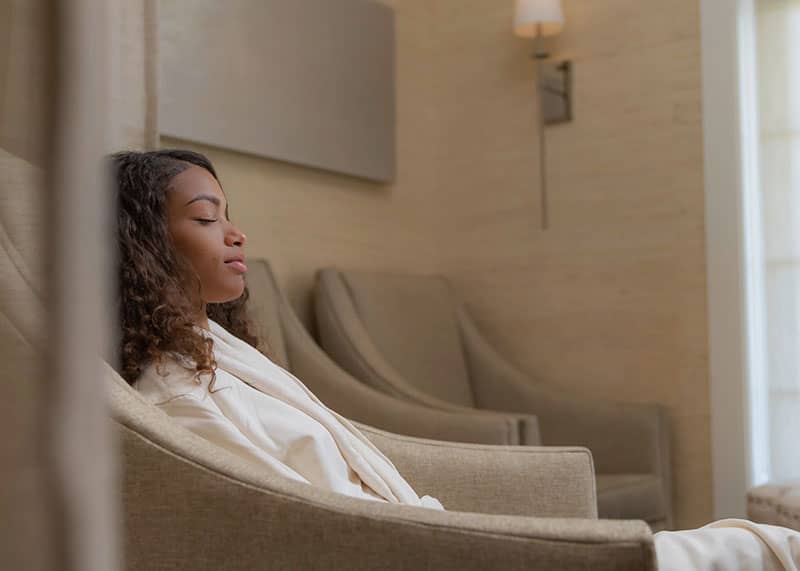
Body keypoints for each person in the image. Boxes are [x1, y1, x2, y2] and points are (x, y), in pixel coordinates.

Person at [112, 149, 800, 570]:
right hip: (420, 552)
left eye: (228, 212)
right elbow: (287, 529)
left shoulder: (219, 354)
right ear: (146, 243)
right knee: (755, 548)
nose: (236, 232)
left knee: (743, 544)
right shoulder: (177, 398)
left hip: (425, 536)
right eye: (206, 217)